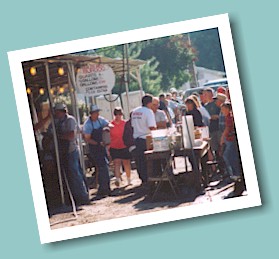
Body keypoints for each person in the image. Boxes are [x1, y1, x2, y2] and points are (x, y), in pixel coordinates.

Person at [52, 103, 89, 205]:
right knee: (70, 174)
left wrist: (58, 136)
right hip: (63, 151)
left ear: (63, 112)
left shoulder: (70, 120)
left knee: (75, 173)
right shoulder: (57, 122)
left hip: (72, 150)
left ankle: (83, 197)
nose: (56, 114)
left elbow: (71, 135)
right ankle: (75, 196)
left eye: (57, 112)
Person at [83, 105, 111, 197]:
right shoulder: (87, 124)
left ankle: (105, 187)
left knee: (104, 166)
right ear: (92, 114)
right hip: (94, 148)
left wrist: (107, 127)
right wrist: (98, 143)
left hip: (102, 146)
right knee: (102, 167)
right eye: (96, 112)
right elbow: (87, 139)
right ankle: (103, 188)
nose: (98, 114)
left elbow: (109, 124)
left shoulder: (100, 119)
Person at [131, 94, 157, 184]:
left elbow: (132, 126)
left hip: (137, 139)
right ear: (149, 103)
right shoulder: (148, 112)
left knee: (140, 161)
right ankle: (151, 179)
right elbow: (152, 127)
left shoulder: (134, 111)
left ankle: (143, 179)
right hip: (146, 139)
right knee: (150, 161)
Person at [109, 107, 132, 186]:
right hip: (114, 146)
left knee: (126, 163)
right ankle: (118, 179)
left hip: (124, 145)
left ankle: (129, 179)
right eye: (116, 114)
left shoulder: (125, 124)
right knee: (116, 163)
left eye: (120, 114)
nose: (118, 116)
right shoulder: (111, 125)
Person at [220, 102, 242, 181]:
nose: (222, 111)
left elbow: (228, 128)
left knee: (229, 156)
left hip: (231, 139)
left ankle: (235, 173)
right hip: (229, 139)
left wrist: (222, 138)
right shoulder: (227, 117)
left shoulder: (229, 117)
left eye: (223, 109)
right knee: (230, 156)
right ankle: (234, 173)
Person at [203, 88, 221, 157]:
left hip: (218, 128)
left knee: (221, 147)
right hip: (211, 129)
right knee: (214, 148)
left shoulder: (216, 103)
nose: (204, 96)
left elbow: (220, 114)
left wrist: (216, 116)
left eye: (206, 94)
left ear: (211, 94)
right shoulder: (205, 106)